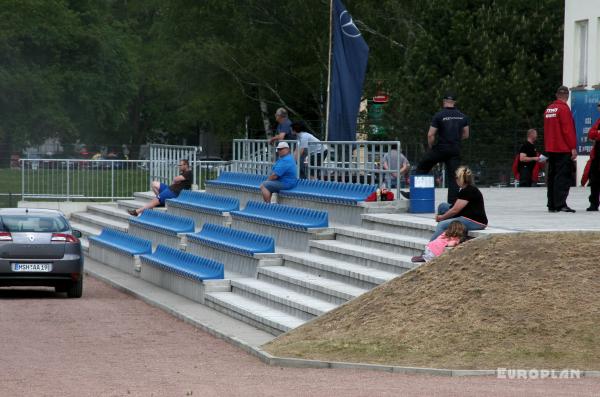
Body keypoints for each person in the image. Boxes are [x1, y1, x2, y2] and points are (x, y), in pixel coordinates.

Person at [416, 91, 470, 204]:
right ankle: (452, 204)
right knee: (454, 178)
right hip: (455, 149)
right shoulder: (463, 116)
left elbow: (430, 134)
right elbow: (466, 134)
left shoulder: (439, 115)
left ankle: (415, 193)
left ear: (444, 102)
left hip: (441, 148)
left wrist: (431, 147)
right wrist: (456, 140)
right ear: (454, 102)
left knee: (423, 166)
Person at [430, 166, 487, 241]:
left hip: (476, 221)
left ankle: (430, 248)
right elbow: (455, 207)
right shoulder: (467, 189)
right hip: (466, 215)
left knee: (442, 225)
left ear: (460, 179)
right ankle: (446, 237)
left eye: (456, 177)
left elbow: (455, 210)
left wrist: (442, 217)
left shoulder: (468, 191)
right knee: (443, 206)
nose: (455, 180)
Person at [544, 86, 577, 213]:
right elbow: (567, 130)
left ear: (557, 95)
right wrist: (573, 147)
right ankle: (560, 204)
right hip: (562, 148)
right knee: (562, 177)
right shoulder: (563, 109)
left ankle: (551, 204)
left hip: (551, 148)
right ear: (567, 96)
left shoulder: (549, 109)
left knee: (552, 177)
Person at [128, 159, 193, 216]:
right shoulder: (184, 173)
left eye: (180, 165)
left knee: (154, 201)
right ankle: (161, 200)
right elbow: (175, 180)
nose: (179, 167)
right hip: (171, 189)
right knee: (154, 184)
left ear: (186, 165)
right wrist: (176, 181)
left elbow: (175, 179)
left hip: (175, 193)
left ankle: (137, 212)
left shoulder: (189, 173)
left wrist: (176, 181)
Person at [586, 104, 600, 211]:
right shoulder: (598, 121)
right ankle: (594, 203)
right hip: (597, 156)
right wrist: (597, 133)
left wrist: (596, 134)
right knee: (594, 180)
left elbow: (593, 134)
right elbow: (590, 133)